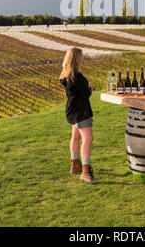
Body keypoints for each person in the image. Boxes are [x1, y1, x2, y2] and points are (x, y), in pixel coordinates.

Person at [59, 47, 97, 185]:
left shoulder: (65, 75)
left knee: (75, 137)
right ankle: (85, 172)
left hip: (71, 110)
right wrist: (89, 88)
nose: (82, 59)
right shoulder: (78, 76)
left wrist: (86, 88)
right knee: (88, 139)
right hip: (81, 111)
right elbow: (85, 94)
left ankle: (75, 164)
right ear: (76, 59)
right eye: (81, 57)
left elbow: (76, 91)